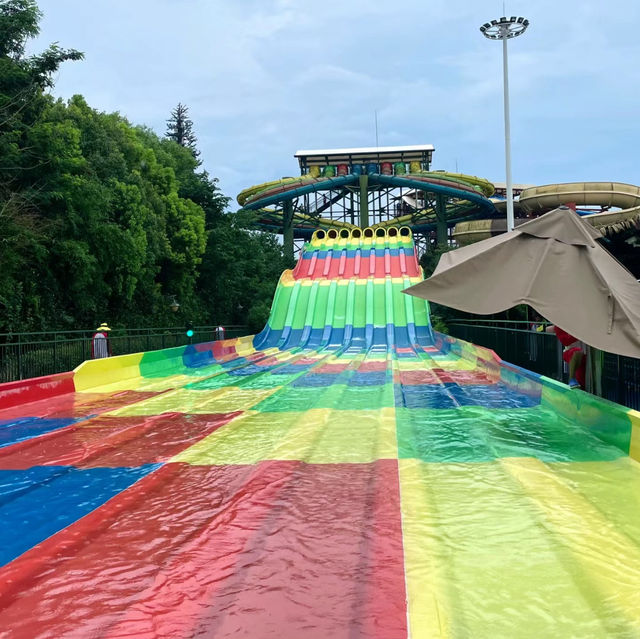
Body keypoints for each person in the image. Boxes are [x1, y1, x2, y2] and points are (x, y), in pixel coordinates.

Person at [544, 324, 586, 389]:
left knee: (582, 382)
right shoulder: (559, 325)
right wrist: (581, 335)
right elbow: (565, 341)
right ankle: (571, 378)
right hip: (571, 353)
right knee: (577, 351)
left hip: (585, 355)